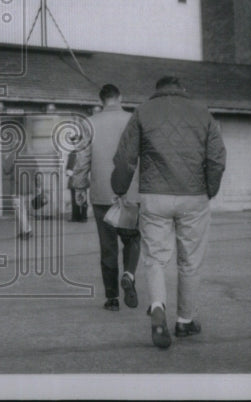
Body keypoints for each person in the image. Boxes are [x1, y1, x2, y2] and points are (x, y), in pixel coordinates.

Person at [112, 75, 227, 349]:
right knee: (189, 260)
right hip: (194, 196)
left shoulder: (143, 111)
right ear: (182, 90)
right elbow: (217, 158)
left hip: (154, 196)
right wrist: (209, 189)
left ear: (157, 90)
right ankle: (185, 320)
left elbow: (126, 157)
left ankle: (157, 306)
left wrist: (119, 188)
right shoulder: (202, 112)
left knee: (155, 258)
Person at [71, 83, 141, 311]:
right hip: (130, 192)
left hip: (101, 194)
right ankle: (129, 275)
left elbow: (82, 160)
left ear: (101, 100)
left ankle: (112, 299)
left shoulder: (89, 123)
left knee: (107, 246)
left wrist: (79, 188)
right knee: (132, 239)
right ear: (120, 97)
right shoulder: (134, 119)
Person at [65, 149, 89, 222]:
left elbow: (69, 167)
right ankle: (80, 216)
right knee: (79, 198)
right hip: (79, 179)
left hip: (77, 179)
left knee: (80, 198)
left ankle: (80, 217)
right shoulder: (82, 153)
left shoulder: (75, 153)